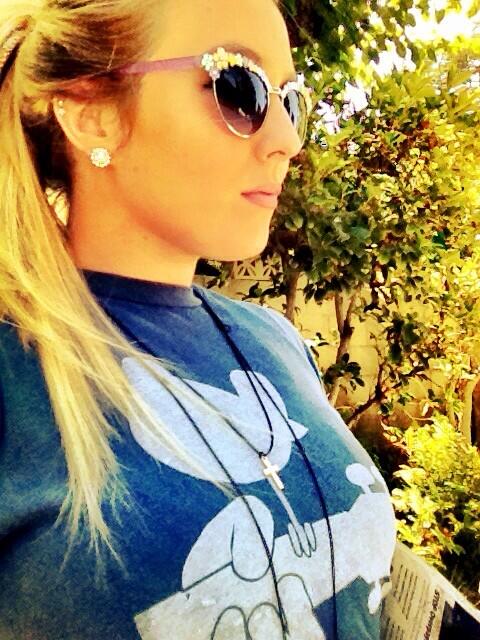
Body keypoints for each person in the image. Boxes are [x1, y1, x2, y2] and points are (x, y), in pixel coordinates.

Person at [0, 0, 397, 638]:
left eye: (291, 102)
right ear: (92, 113)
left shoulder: (277, 340)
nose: (289, 140)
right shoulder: (15, 374)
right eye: (240, 88)